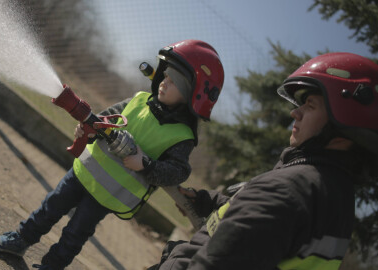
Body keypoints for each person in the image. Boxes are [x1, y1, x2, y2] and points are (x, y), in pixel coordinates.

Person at [0, 40, 225, 270]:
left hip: (109, 195)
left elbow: (178, 172)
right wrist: (88, 129)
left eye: (173, 82)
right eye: (165, 76)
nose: (163, 82)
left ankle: (51, 266)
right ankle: (20, 240)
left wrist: (146, 165)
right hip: (84, 171)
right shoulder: (140, 100)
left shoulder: (182, 136)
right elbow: (104, 119)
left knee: (75, 234)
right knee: (50, 207)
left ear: (191, 94)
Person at [148, 52, 378, 270]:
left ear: (344, 122)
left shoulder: (289, 190)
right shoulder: (332, 195)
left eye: (310, 106)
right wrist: (208, 202)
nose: (295, 113)